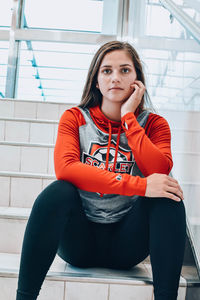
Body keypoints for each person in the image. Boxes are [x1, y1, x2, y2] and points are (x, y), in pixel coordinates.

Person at [16, 41, 186, 300]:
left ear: (137, 79)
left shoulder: (154, 124)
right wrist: (140, 185)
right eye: (107, 71)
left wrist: (129, 117)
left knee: (168, 196)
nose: (115, 78)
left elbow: (159, 169)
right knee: (57, 192)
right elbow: (66, 169)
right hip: (79, 242)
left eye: (125, 70)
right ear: (96, 80)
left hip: (128, 243)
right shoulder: (75, 118)